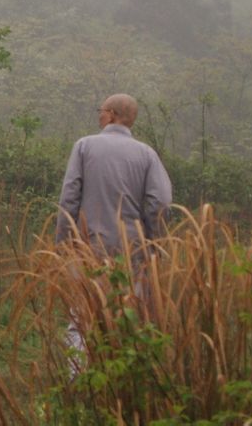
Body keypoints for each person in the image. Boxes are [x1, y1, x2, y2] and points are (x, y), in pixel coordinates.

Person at [55, 92, 172, 372]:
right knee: (130, 314)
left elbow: (69, 197)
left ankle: (79, 380)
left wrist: (63, 243)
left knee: (83, 314)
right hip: (133, 250)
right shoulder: (147, 154)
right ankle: (124, 381)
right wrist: (153, 242)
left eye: (101, 110)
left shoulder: (84, 147)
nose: (99, 115)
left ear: (110, 114)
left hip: (88, 246)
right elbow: (161, 202)